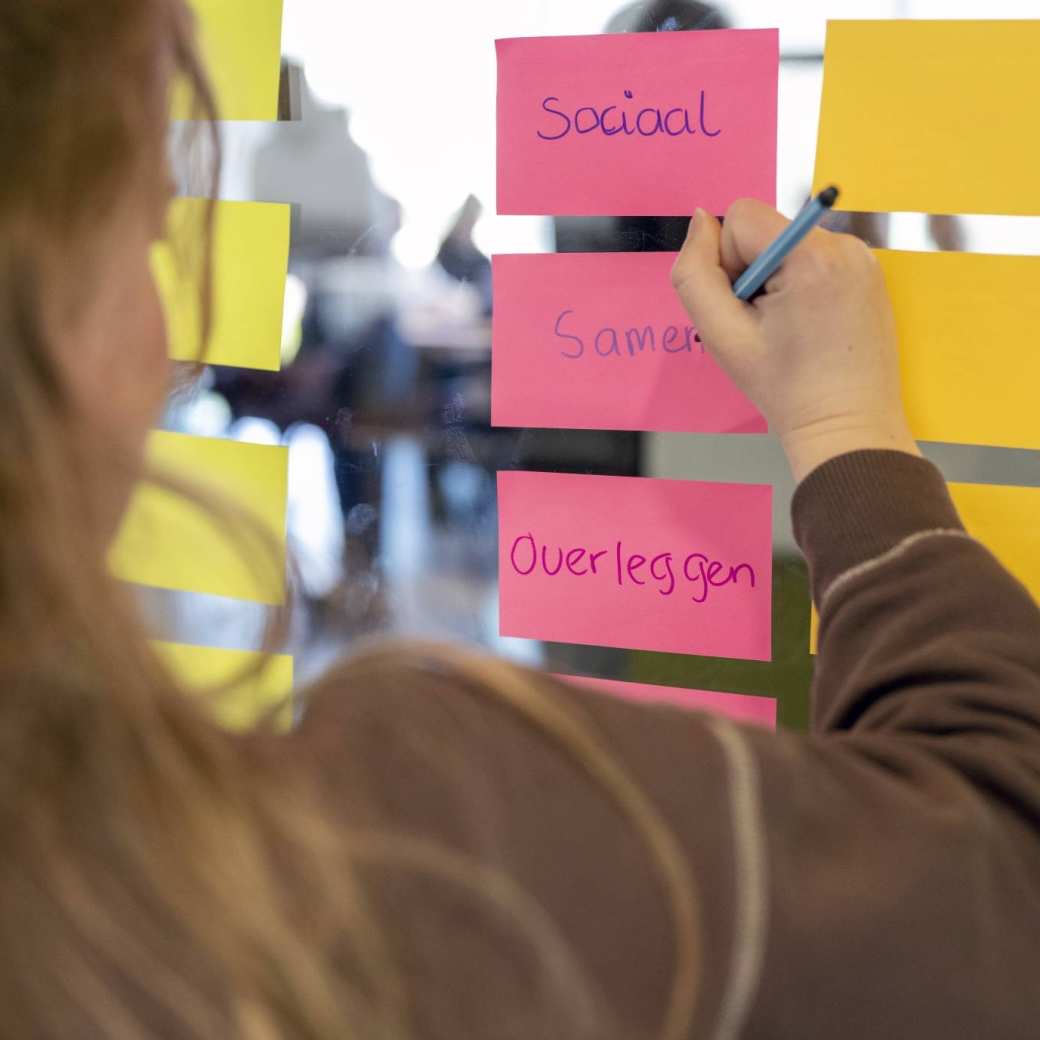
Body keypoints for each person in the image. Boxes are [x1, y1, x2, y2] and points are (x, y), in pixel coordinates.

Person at [2, 3, 1039, 1040]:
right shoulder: (429, 839)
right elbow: (1002, 872)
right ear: (40, 305)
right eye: (152, 234)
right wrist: (843, 423)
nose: (181, 352)